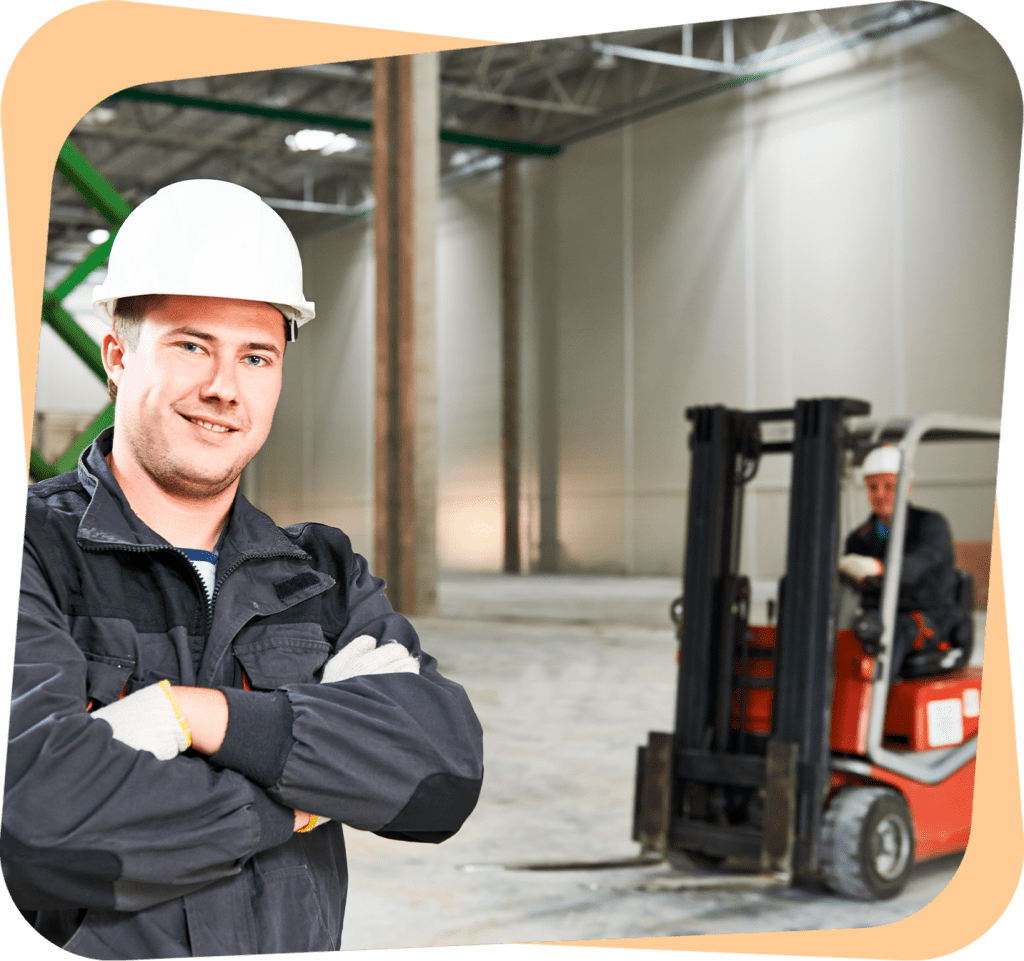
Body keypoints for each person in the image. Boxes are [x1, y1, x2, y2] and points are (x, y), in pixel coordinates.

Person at [1, 180, 484, 959]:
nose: (224, 387)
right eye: (192, 344)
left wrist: (194, 715)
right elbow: (41, 824)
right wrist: (301, 801)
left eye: (255, 355)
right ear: (117, 354)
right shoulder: (30, 551)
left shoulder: (319, 573)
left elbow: (439, 774)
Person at [838, 444, 965, 676]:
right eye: (872, 487)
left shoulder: (930, 525)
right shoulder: (859, 537)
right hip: (875, 615)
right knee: (841, 630)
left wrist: (878, 567)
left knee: (889, 632)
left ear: (907, 488)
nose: (880, 494)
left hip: (926, 617)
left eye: (889, 486)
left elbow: (918, 564)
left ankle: (874, 705)